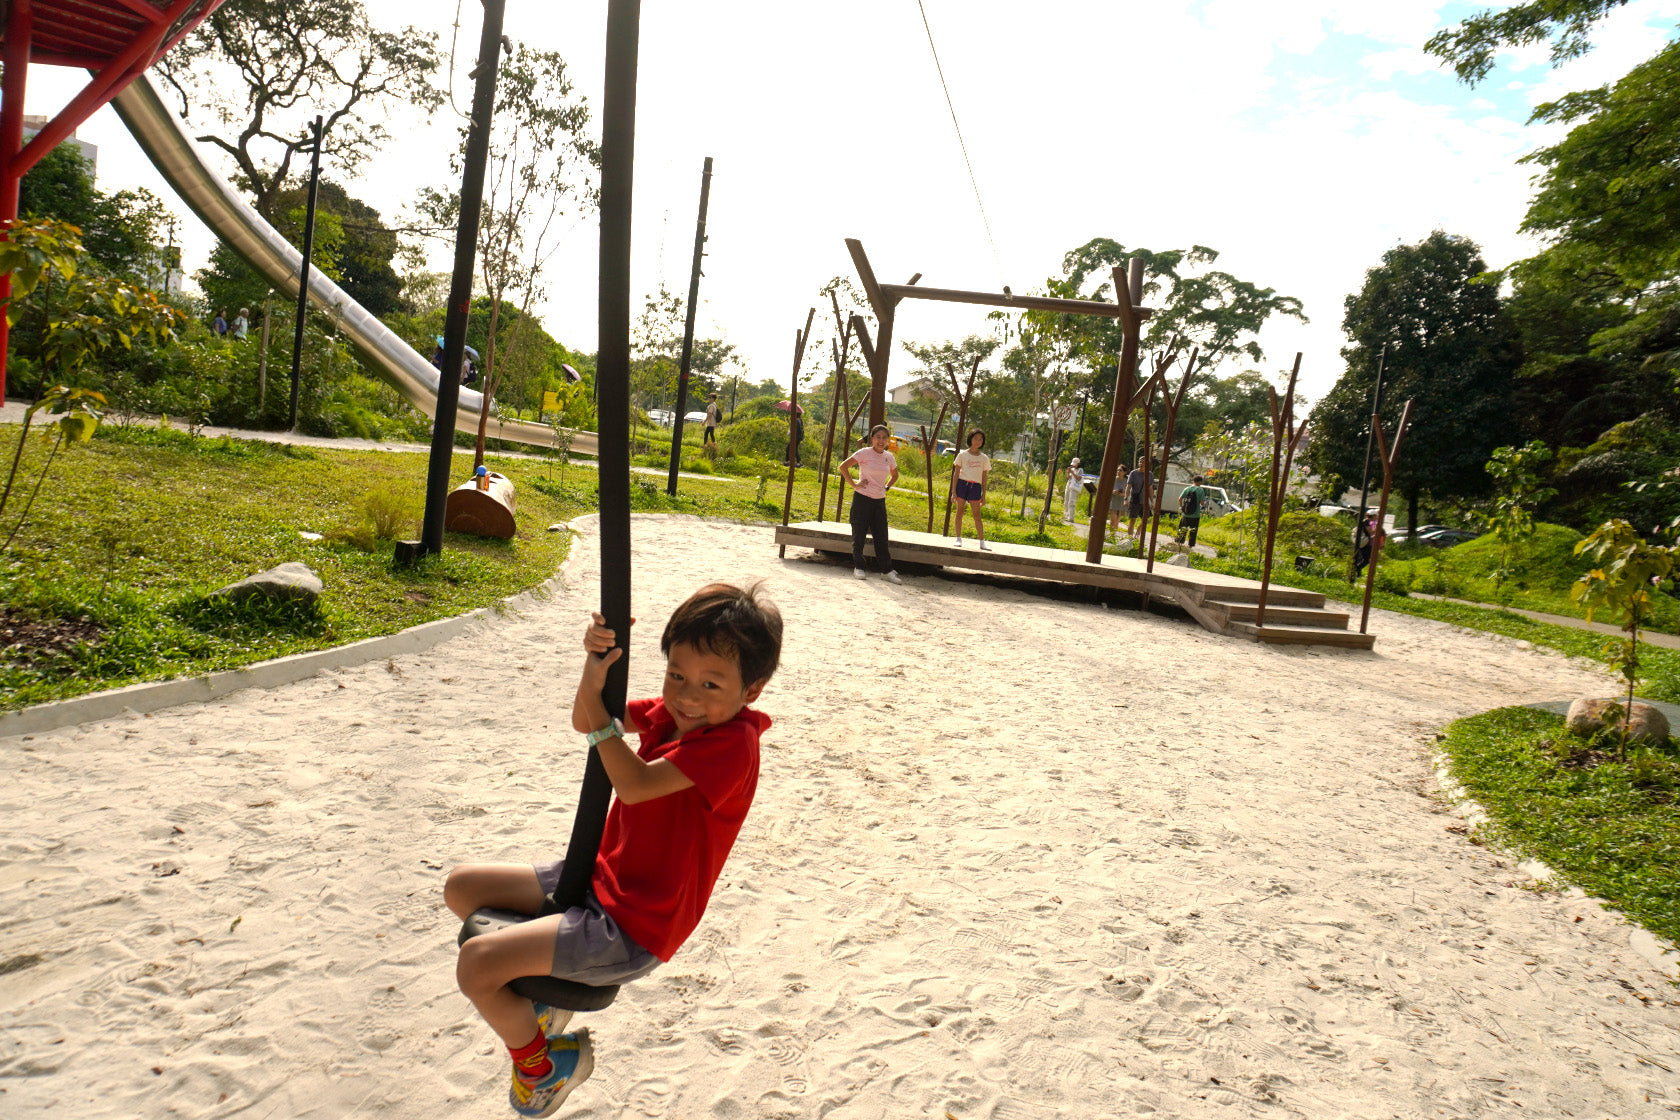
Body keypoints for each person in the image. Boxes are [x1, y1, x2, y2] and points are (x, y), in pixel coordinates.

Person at [445, 582, 782, 1118]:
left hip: (632, 926)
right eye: (676, 675)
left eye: (711, 684)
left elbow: (634, 783)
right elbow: (587, 720)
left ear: (752, 690)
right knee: (463, 887)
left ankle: (542, 1068)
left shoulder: (731, 745)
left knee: (477, 966)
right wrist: (593, 668)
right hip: (600, 878)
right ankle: (542, 1006)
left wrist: (604, 728)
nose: (688, 696)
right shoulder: (673, 715)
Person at [840, 424, 902, 583]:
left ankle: (886, 570)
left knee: (881, 536)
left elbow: (895, 475)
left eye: (884, 438)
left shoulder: (889, 456)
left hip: (879, 501)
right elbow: (843, 467)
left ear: (888, 441)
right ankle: (859, 567)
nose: (881, 441)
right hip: (862, 498)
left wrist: (887, 487)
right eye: (877, 437)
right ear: (872, 439)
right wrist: (854, 485)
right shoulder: (864, 453)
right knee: (859, 534)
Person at [950, 429, 992, 550]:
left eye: (980, 439)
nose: (978, 441)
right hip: (962, 485)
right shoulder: (962, 455)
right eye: (975, 438)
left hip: (976, 487)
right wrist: (954, 491)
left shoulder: (984, 458)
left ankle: (982, 542)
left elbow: (984, 477)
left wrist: (983, 495)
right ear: (970, 439)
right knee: (960, 511)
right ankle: (958, 538)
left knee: (977, 515)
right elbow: (956, 474)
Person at [1176, 474, 1207, 547]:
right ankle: (1190, 545)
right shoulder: (1200, 490)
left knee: (1183, 529)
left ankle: (1179, 543)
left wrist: (1181, 507)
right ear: (1200, 482)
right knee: (1193, 531)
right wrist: (1204, 505)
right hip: (1195, 515)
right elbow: (1202, 503)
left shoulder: (1187, 489)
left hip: (1185, 514)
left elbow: (1180, 498)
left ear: (1193, 481)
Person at [1125, 456, 1151, 537]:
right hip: (1135, 499)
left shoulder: (1150, 474)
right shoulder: (1133, 473)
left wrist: (1152, 501)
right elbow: (1128, 487)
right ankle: (1129, 538)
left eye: (1143, 462)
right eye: (1140, 462)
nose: (1141, 464)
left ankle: (1137, 535)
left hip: (1145, 501)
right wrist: (1125, 499)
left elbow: (1150, 488)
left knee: (1145, 519)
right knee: (1132, 519)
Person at [1062, 457, 1085, 524]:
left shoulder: (1080, 470)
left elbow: (1079, 478)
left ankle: (1071, 517)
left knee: (1071, 502)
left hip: (1074, 487)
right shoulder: (1072, 469)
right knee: (1066, 501)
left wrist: (1072, 472)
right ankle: (1066, 515)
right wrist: (1068, 472)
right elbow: (1068, 478)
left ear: (1078, 464)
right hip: (1069, 485)